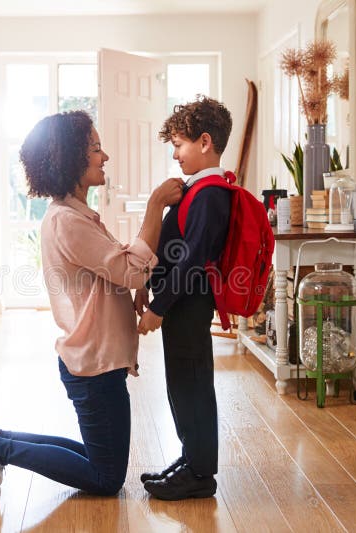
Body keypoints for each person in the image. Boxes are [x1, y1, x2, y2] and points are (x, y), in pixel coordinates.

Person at [0, 110, 184, 498]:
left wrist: (135, 284)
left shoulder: (76, 215)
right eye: (96, 149)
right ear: (70, 160)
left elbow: (116, 268)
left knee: (98, 458)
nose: (105, 157)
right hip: (94, 366)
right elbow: (131, 269)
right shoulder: (68, 221)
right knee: (106, 477)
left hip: (95, 361)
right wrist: (155, 206)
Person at [134, 96, 233, 500]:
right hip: (182, 306)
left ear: (204, 141)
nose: (175, 154)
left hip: (188, 306)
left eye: (179, 144)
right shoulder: (197, 190)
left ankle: (200, 473)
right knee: (181, 384)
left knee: (191, 386)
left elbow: (192, 260)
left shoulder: (210, 193)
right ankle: (192, 460)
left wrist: (159, 307)